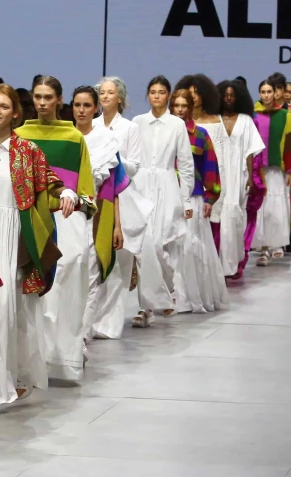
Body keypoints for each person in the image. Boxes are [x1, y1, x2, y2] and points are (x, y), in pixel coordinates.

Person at [0, 83, 63, 416]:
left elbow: (48, 187)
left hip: (10, 234)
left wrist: (70, 197)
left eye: (4, 107)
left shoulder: (29, 151)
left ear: (15, 113)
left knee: (3, 310)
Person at [16, 75, 95, 384]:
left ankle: (64, 362)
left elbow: (88, 191)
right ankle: (31, 365)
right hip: (30, 221)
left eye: (48, 97)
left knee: (67, 291)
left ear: (59, 100)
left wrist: (76, 199)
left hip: (67, 220)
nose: (43, 102)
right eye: (38, 96)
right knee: (34, 294)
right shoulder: (20, 135)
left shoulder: (74, 138)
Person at [132, 75, 193, 326]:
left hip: (168, 187)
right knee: (143, 247)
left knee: (160, 244)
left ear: (168, 95)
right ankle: (146, 307)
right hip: (141, 186)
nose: (157, 96)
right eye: (153, 92)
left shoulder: (177, 125)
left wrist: (186, 199)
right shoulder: (137, 122)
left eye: (161, 92)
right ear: (147, 95)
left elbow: (186, 165)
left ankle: (167, 290)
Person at [92, 76, 149, 339]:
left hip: (123, 194)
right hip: (96, 194)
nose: (105, 96)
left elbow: (135, 165)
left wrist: (113, 158)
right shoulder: (90, 126)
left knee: (120, 259)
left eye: (110, 92)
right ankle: (92, 319)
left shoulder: (129, 128)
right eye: (101, 92)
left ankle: (111, 323)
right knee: (95, 259)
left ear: (120, 98)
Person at [71, 85, 128, 348]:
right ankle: (67, 332)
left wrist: (116, 224)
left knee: (92, 273)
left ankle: (83, 332)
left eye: (86, 105)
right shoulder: (66, 137)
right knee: (69, 273)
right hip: (65, 216)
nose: (81, 110)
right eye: (77, 105)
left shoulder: (107, 141)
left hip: (96, 215)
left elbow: (112, 188)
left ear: (96, 108)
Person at [168, 87, 227, 313]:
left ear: (190, 108)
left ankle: (191, 297)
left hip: (193, 197)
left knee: (191, 246)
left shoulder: (200, 135)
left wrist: (211, 198)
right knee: (170, 245)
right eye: (177, 106)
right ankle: (172, 297)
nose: (181, 110)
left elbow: (210, 166)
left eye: (184, 106)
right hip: (167, 196)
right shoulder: (165, 132)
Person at [253, 77, 291, 266]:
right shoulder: (253, 116)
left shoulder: (285, 116)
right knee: (261, 208)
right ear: (259, 94)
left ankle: (276, 245)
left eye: (269, 92)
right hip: (258, 169)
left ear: (275, 94)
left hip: (277, 170)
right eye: (263, 92)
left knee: (276, 207)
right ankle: (264, 249)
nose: (267, 95)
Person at [215, 80, 264, 278]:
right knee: (218, 217)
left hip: (239, 174)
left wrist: (251, 177)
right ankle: (217, 264)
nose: (228, 99)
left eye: (232, 95)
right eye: (225, 95)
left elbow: (250, 151)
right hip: (217, 173)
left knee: (235, 216)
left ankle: (233, 262)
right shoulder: (212, 118)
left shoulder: (246, 120)